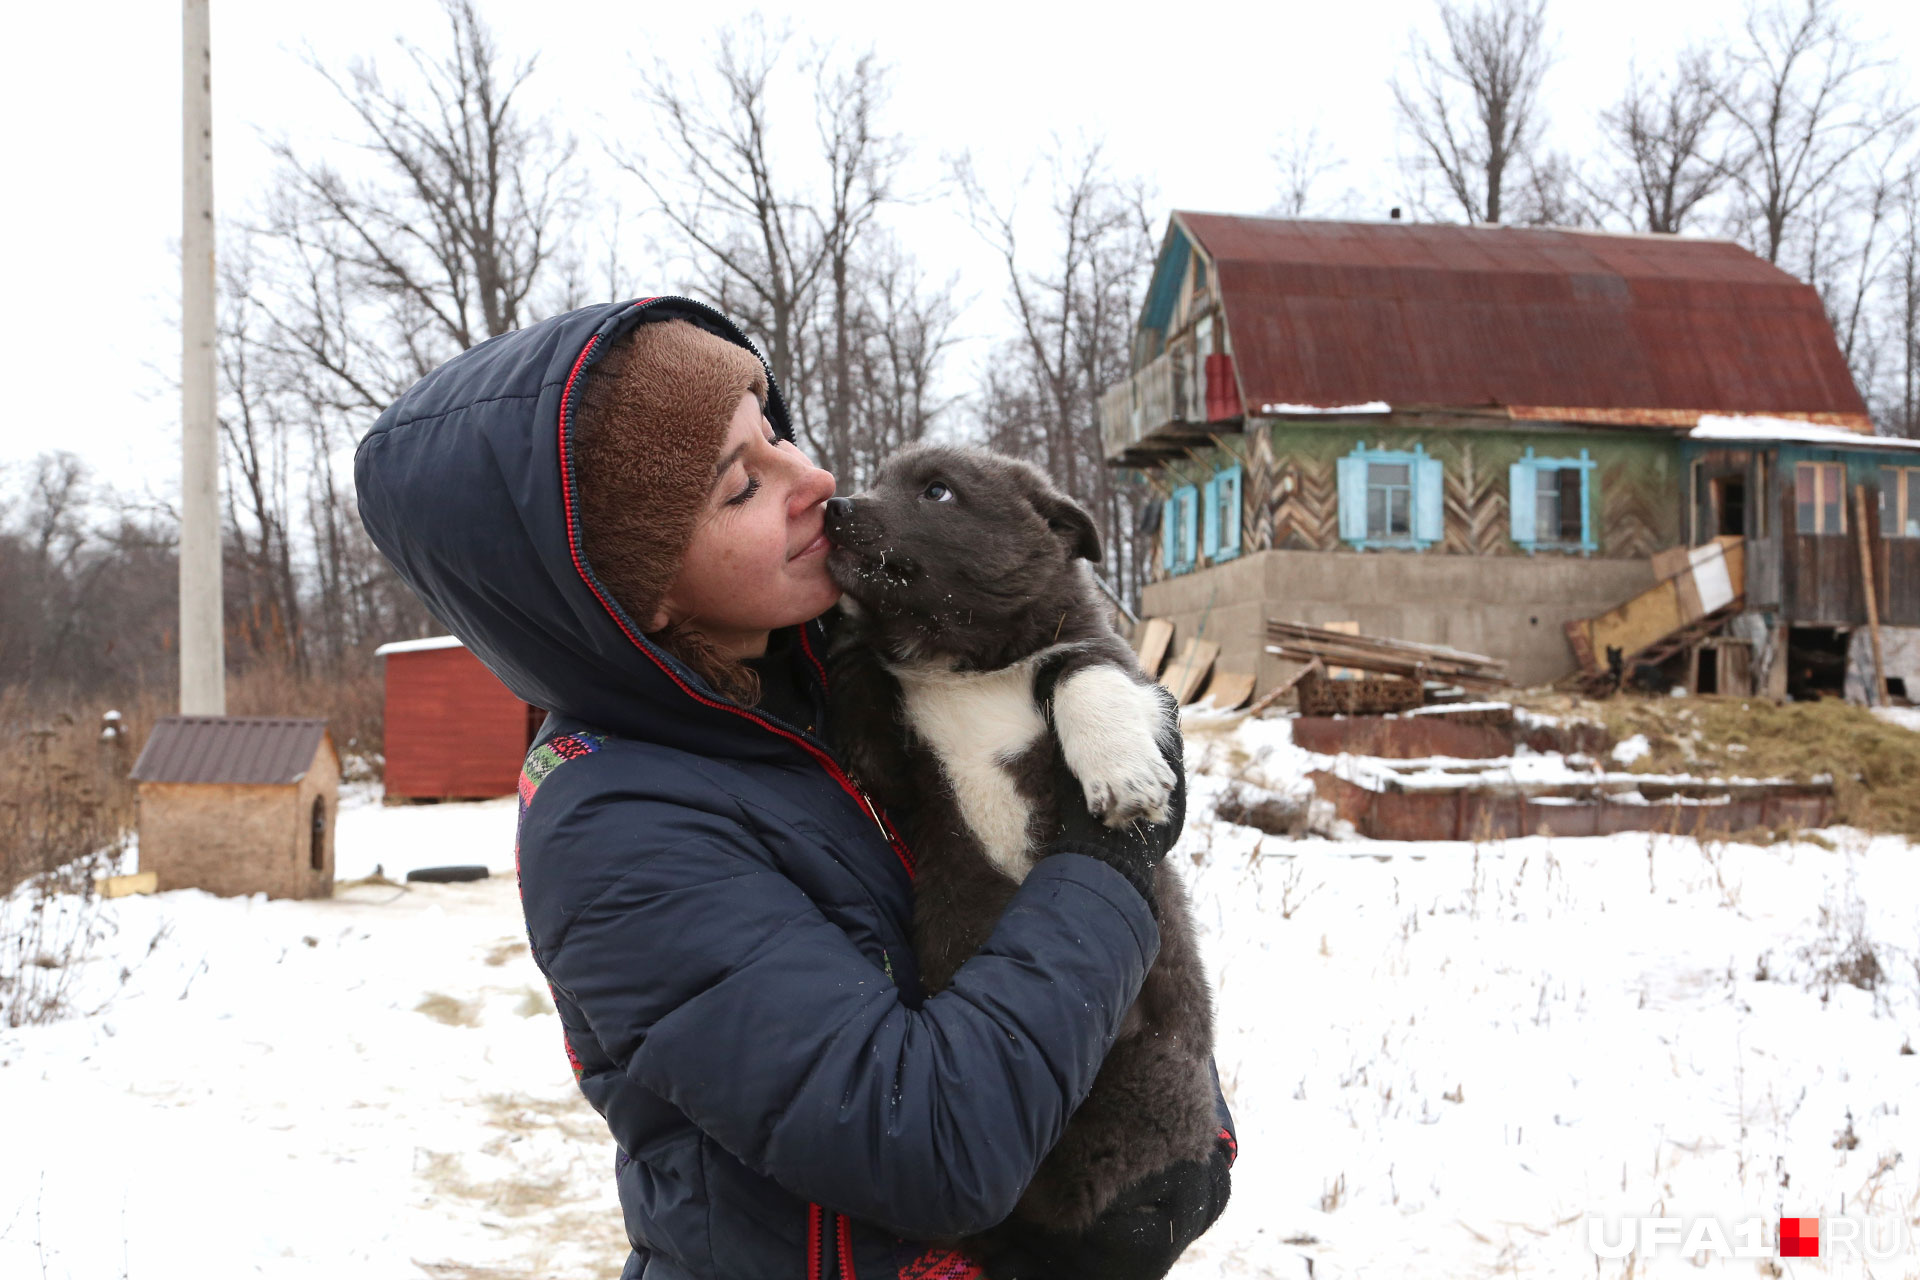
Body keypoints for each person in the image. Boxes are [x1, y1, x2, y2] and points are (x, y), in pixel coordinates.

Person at [355, 297, 1235, 1280]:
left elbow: (1022, 915)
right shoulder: (617, 829)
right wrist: (1111, 857)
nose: (814, 477)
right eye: (744, 484)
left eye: (776, 432)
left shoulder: (826, 677)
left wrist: (1174, 1117)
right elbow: (929, 1140)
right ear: (628, 588)